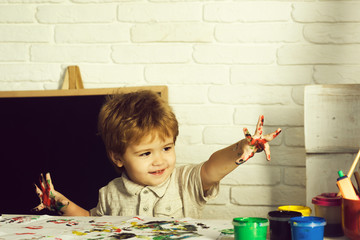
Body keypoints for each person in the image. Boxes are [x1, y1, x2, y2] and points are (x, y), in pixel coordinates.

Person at [33, 90, 281, 218]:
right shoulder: (109, 194)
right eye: (145, 154)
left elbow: (212, 168)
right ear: (118, 157)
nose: (159, 160)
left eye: (166, 148)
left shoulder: (185, 182)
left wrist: (242, 148)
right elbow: (91, 223)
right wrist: (60, 203)